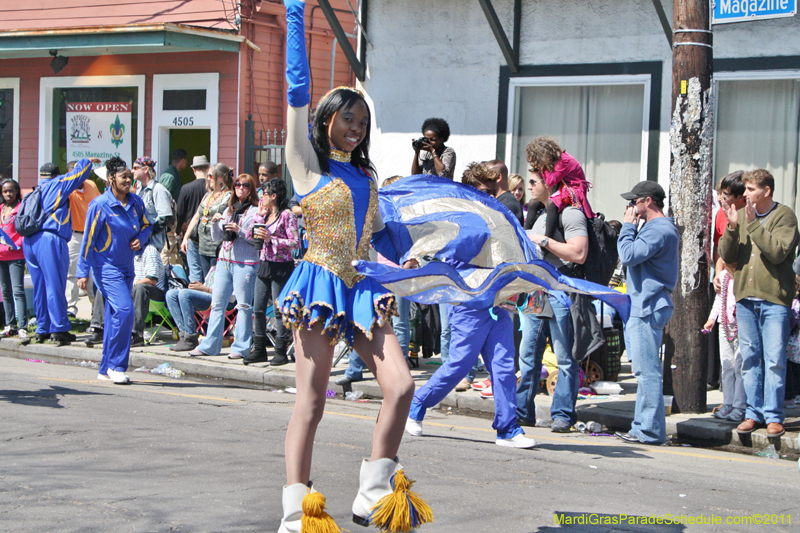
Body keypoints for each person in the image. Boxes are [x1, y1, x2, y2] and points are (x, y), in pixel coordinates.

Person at [276, 2, 430, 531]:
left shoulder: (366, 175)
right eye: (348, 119)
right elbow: (297, 92)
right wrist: (295, 14)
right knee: (312, 403)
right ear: (325, 120)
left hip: (363, 284)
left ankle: (372, 491)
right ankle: (298, 512)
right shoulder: (305, 165)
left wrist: (423, 250)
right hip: (319, 282)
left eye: (363, 123)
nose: (356, 129)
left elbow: (386, 231)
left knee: (402, 386)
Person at [405, 162, 536, 450]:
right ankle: (415, 405)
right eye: (484, 191)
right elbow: (439, 251)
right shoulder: (458, 220)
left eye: (492, 191)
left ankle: (508, 429)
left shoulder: (497, 219)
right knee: (458, 365)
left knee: (503, 368)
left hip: (498, 304)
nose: (490, 196)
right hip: (468, 304)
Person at [718, 169, 799, 438]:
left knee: (774, 359)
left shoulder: (784, 216)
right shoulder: (740, 216)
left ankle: (774, 416)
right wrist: (731, 228)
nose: (745, 194)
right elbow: (727, 255)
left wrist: (752, 225)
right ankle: (753, 413)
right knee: (750, 359)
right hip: (745, 300)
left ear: (766, 191)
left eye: (751, 189)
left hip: (774, 300)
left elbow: (777, 252)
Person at [516, 165, 589, 433]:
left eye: (534, 181)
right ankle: (522, 411)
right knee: (528, 355)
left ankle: (562, 414)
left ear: (549, 182)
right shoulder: (537, 214)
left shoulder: (570, 214)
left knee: (565, 356)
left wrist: (543, 240)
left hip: (561, 292)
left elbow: (579, 253)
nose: (530, 186)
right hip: (536, 291)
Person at [613, 181, 679, 445]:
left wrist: (628, 226)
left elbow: (628, 255)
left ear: (648, 201)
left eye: (635, 202)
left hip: (648, 305)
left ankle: (649, 431)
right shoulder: (656, 228)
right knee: (645, 370)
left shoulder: (658, 230)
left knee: (646, 372)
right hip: (648, 304)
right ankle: (642, 427)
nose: (631, 207)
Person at [77, 156, 152, 384]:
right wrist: (83, 272)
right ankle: (117, 366)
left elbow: (148, 226)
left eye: (130, 176)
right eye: (124, 176)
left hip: (127, 267)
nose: (129, 180)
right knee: (125, 310)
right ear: (111, 179)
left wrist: (141, 238)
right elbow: (88, 240)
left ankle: (105, 368)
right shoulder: (99, 205)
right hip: (106, 268)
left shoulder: (136, 202)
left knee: (113, 317)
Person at [189, 173, 260, 359]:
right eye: (237, 185)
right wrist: (215, 224)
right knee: (217, 304)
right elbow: (216, 239)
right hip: (224, 261)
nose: (240, 188)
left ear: (250, 189)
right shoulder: (229, 211)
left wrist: (240, 231)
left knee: (243, 305)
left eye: (245, 185)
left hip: (245, 264)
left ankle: (241, 347)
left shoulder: (255, 211)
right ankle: (209, 345)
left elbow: (257, 239)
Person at [25, 160, 91, 345]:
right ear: (57, 175)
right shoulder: (58, 185)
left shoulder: (35, 190)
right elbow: (83, 170)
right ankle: (59, 329)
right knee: (55, 285)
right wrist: (86, 160)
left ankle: (42, 328)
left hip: (30, 240)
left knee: (40, 287)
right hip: (49, 238)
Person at [246, 177, 299, 366]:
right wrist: (258, 217)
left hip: (281, 266)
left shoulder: (287, 215)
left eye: (265, 193)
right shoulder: (264, 215)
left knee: (278, 310)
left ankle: (280, 350)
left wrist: (272, 239)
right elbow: (248, 235)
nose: (261, 196)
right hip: (264, 264)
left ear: (274, 196)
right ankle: (259, 349)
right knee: (258, 308)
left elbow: (295, 242)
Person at [525, 136, 595, 242]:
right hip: (564, 187)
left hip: (574, 189)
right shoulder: (557, 160)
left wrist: (542, 168)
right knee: (532, 203)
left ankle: (548, 237)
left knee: (551, 203)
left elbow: (550, 181)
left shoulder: (564, 160)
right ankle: (525, 235)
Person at [703, 261, 745, 422]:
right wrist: (712, 318)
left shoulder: (743, 276)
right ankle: (728, 402)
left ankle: (740, 405)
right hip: (724, 325)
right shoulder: (723, 276)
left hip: (741, 324)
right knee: (727, 366)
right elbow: (719, 300)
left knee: (740, 366)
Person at [181, 163, 232, 283]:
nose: (208, 179)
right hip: (203, 244)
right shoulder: (207, 195)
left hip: (217, 245)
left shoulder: (228, 195)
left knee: (215, 279)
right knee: (205, 278)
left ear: (221, 177)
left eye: (211, 176)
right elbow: (196, 217)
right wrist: (186, 238)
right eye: (208, 176)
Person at [167, 265, 235, 352]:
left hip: (223, 302)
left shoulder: (233, 270)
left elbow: (232, 297)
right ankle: (183, 336)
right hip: (207, 297)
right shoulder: (214, 268)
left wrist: (205, 289)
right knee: (171, 294)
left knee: (184, 294)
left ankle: (191, 336)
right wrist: (198, 287)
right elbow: (206, 287)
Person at [65, 158, 101, 317]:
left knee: (94, 271)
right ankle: (71, 308)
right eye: (76, 171)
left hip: (94, 235)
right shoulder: (67, 189)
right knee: (72, 273)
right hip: (74, 235)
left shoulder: (91, 185)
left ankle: (96, 308)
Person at [0, 178, 29, 343]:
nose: (8, 194)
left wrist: (16, 245)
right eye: (5, 191)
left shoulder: (21, 209)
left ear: (17, 191)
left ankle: (22, 327)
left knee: (18, 291)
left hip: (15, 256)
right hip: (1, 256)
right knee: (5, 292)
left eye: (11, 190)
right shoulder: (0, 209)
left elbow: (25, 232)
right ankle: (10, 325)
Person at [133, 157, 173, 253]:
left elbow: (165, 218)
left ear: (146, 169)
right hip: (139, 245)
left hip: (153, 245)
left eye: (135, 168)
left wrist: (147, 233)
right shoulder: (138, 190)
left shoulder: (158, 189)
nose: (132, 171)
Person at [130, 242, 167, 347]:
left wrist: (130, 284)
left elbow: (151, 280)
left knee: (140, 288)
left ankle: (136, 334)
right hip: (134, 292)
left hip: (155, 294)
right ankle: (99, 329)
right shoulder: (128, 252)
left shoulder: (150, 250)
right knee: (106, 286)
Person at [176, 156, 211, 235]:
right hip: (208, 231)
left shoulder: (186, 188)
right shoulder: (212, 188)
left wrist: (178, 230)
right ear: (208, 168)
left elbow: (180, 213)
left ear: (193, 169)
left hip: (192, 230)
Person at [487, 159, 524, 226]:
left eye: (487, 176)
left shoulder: (508, 205)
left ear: (498, 177)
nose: (484, 181)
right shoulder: (501, 201)